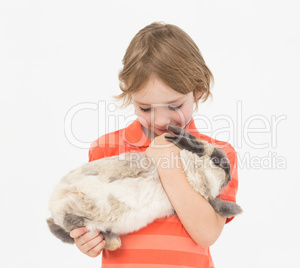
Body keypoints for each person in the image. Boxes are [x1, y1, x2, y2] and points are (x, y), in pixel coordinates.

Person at [69, 22, 239, 268]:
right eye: (145, 108)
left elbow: (207, 234)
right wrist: (89, 240)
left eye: (174, 106)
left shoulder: (217, 156)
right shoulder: (105, 149)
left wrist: (168, 165)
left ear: (198, 90)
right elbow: (94, 221)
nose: (160, 120)